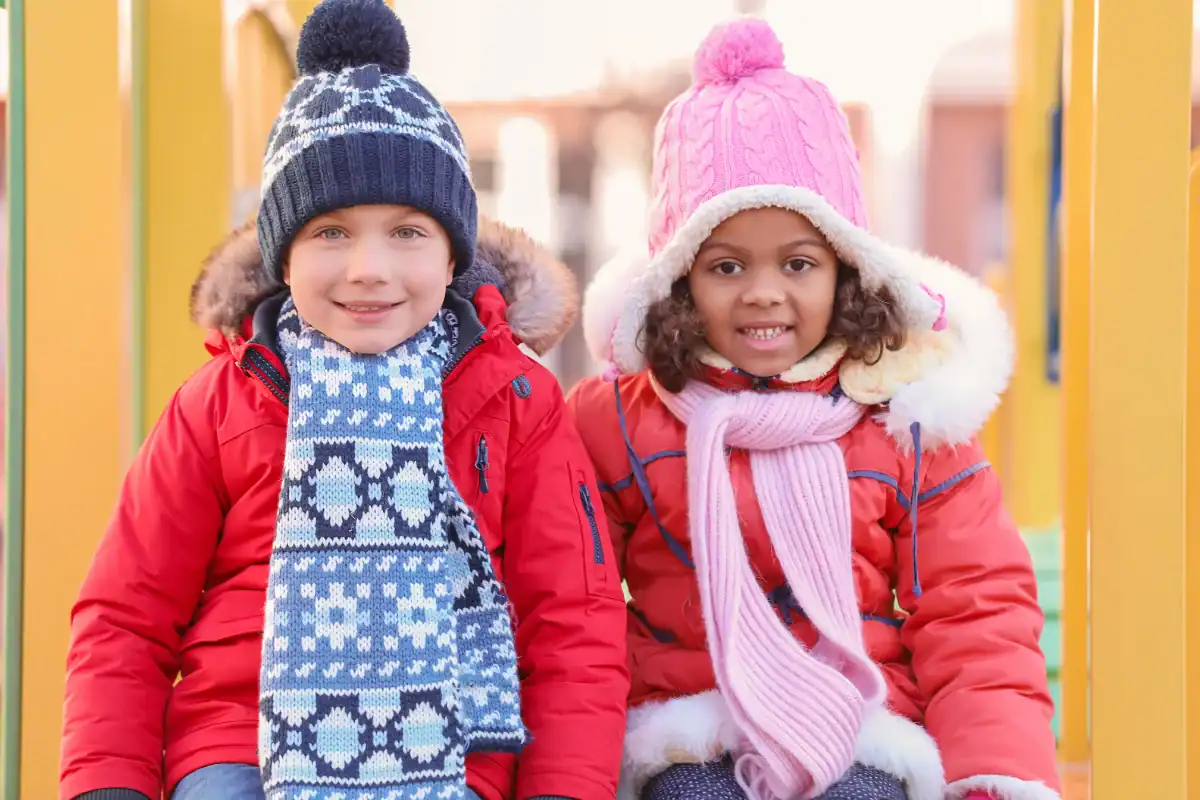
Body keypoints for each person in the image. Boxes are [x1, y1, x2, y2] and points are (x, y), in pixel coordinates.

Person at [59, 1, 627, 798]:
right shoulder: (221, 403)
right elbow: (127, 613)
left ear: (452, 252)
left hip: (455, 745)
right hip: (239, 744)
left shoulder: (515, 400)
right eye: (330, 231)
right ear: (281, 254)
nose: (368, 268)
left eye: (407, 232)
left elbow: (574, 623)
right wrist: (109, 784)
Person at [567, 16, 1059, 800]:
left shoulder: (903, 416)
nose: (764, 291)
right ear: (679, 280)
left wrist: (992, 777)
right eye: (726, 265)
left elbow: (975, 610)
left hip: (860, 722)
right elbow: (570, 596)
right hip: (692, 725)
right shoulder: (623, 419)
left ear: (846, 270)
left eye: (799, 262)